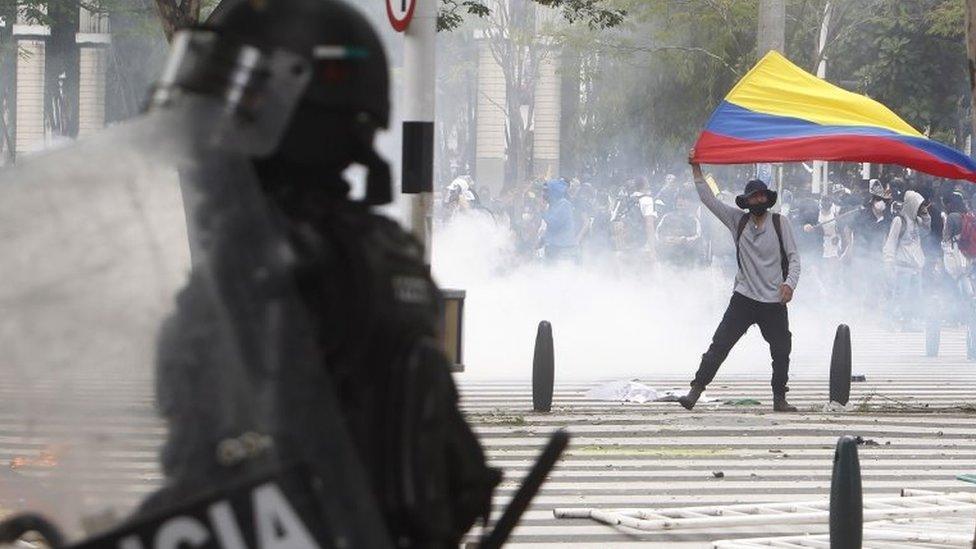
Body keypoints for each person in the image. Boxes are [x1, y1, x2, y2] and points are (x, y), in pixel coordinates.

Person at [149, 1, 499, 546]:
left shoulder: (270, 272)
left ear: (288, 108)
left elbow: (215, 476)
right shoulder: (382, 253)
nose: (206, 120)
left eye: (231, 96)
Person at [680, 152, 801, 412]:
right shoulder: (739, 220)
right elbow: (708, 199)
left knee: (781, 351)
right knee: (720, 344)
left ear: (767, 199)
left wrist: (789, 284)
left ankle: (780, 398)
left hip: (773, 301)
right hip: (744, 298)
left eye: (761, 196)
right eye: (752, 197)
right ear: (746, 202)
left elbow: (794, 259)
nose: (757, 200)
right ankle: (695, 391)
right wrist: (696, 168)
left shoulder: (781, 223)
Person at [883, 189, 931, 330]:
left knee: (914, 297)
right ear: (911, 204)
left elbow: (927, 230)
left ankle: (908, 322)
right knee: (899, 296)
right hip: (903, 266)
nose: (920, 208)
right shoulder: (900, 221)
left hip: (916, 266)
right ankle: (889, 320)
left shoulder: (917, 221)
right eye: (918, 205)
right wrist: (888, 264)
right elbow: (890, 243)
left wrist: (925, 214)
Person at [539, 178, 579, 262]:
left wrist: (543, 211)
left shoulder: (564, 204)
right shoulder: (552, 205)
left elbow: (554, 224)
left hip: (563, 248)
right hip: (554, 247)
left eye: (546, 191)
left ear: (554, 191)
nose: (543, 194)